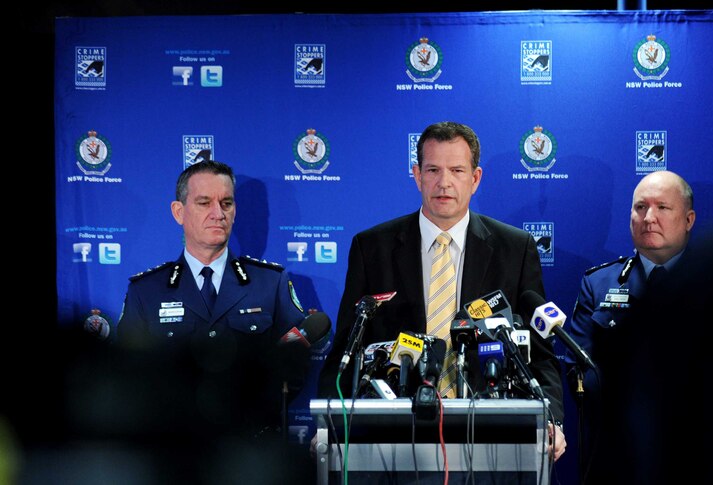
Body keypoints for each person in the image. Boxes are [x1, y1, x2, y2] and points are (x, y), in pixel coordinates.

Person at [317, 121, 567, 463]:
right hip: (395, 436)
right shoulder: (371, 248)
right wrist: (328, 426)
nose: (444, 182)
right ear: (417, 175)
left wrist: (551, 420)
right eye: (433, 169)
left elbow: (539, 355)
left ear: (475, 179)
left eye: (456, 170)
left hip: (490, 435)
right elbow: (346, 350)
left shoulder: (514, 248)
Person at [116, 160, 310, 443]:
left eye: (226, 203)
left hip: (251, 447)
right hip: (174, 451)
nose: (218, 214)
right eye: (204, 203)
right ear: (178, 212)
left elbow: (295, 361)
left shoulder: (270, 283)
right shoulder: (146, 291)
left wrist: (249, 409)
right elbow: (129, 376)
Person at [564, 169, 695, 484]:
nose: (649, 217)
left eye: (662, 207)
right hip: (616, 455)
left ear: (688, 219)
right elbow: (580, 371)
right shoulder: (598, 283)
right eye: (640, 207)